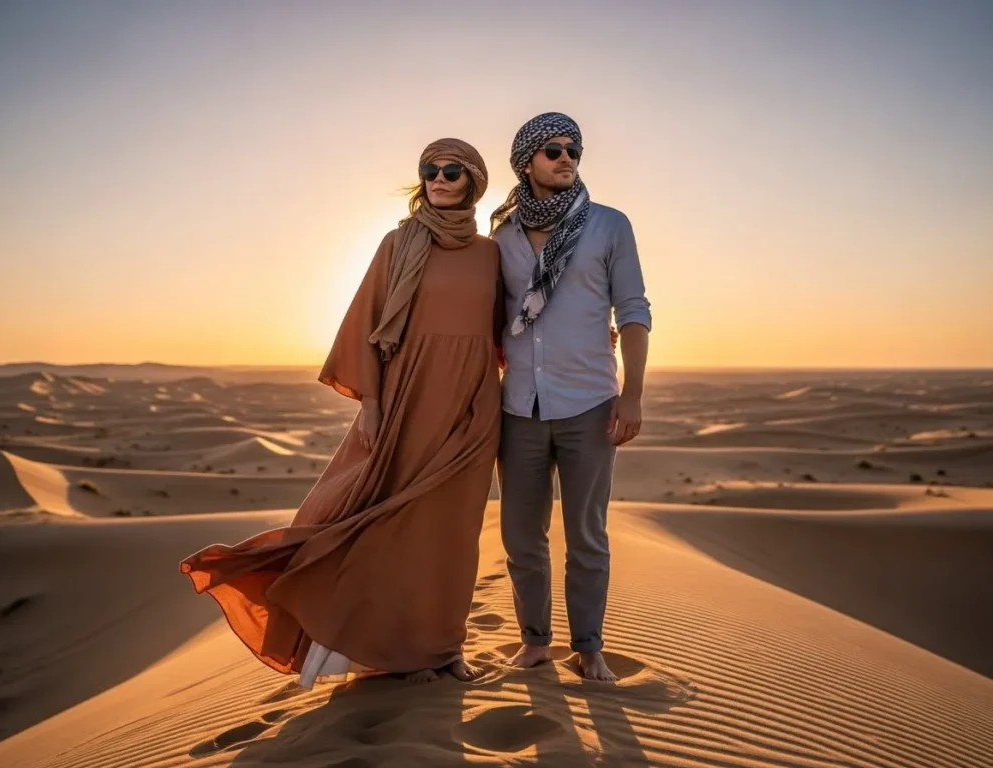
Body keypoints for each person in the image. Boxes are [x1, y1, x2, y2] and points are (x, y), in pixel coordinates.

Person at [180, 138, 503, 686]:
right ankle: (389, 647)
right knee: (383, 521)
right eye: (430, 170)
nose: (439, 178)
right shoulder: (398, 243)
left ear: (474, 180)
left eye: (453, 170)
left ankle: (445, 646)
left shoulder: (492, 253)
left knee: (453, 530)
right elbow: (364, 325)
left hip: (473, 405)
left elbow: (508, 329)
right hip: (407, 400)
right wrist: (373, 406)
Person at [491, 112, 651, 683]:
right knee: (519, 536)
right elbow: (492, 321)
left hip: (590, 403)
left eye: (575, 150)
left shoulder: (608, 226)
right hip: (519, 409)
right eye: (554, 150)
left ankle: (589, 648)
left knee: (587, 535)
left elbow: (633, 310)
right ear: (527, 161)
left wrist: (631, 396)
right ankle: (535, 642)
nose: (567, 158)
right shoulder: (502, 237)